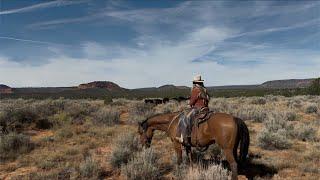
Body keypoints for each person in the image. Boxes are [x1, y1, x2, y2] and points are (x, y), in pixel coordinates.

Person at [177, 75, 210, 146]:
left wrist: (188, 105)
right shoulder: (204, 90)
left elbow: (191, 102)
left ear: (195, 83)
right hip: (205, 108)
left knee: (184, 118)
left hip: (197, 109)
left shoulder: (195, 90)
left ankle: (185, 137)